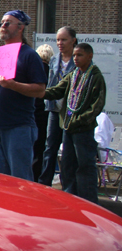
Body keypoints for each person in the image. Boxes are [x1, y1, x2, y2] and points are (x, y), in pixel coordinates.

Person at [0, 10, 47, 181]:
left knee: (19, 180)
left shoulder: (29, 55)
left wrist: (13, 85)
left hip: (18, 127)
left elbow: (40, 90)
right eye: (1, 23)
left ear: (20, 27)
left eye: (8, 23)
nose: (3, 26)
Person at [33, 43, 106, 203]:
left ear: (90, 56)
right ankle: (70, 197)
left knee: (84, 165)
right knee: (67, 164)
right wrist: (38, 92)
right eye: (74, 55)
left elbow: (97, 105)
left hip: (82, 129)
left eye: (80, 55)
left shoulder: (95, 77)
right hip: (68, 127)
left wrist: (79, 120)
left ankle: (88, 200)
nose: (76, 58)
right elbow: (58, 90)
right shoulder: (73, 75)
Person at [38, 26, 77, 186]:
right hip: (54, 109)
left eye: (64, 40)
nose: (60, 43)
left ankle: (68, 185)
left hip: (70, 111)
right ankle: (44, 183)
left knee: (68, 150)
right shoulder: (54, 60)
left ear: (73, 41)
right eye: (58, 40)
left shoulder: (78, 60)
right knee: (50, 146)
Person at [32, 43, 54, 183]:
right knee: (41, 150)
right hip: (44, 114)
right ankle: (38, 178)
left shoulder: (34, 70)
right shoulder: (51, 71)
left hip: (32, 112)